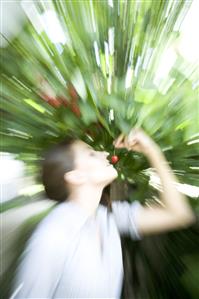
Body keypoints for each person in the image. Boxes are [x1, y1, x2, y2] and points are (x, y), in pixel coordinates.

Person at [11, 128, 195, 299]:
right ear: (76, 176)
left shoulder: (109, 218)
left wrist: (152, 151)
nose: (105, 154)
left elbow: (179, 214)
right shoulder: (53, 236)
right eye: (91, 153)